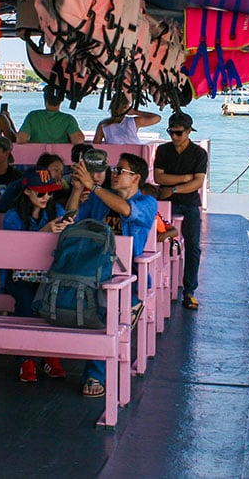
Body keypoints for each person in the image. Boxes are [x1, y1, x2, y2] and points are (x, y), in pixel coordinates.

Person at [70, 152, 158, 398]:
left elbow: (127, 210)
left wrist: (94, 186)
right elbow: (71, 218)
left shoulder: (147, 202)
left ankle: (95, 374)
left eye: (121, 170)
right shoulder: (99, 200)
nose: (115, 173)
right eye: (116, 169)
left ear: (136, 178)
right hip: (92, 270)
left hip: (128, 276)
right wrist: (77, 190)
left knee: (107, 308)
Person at [1, 169, 72, 383]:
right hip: (19, 276)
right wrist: (46, 231)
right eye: (40, 194)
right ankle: (26, 357)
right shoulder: (13, 216)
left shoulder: (56, 210)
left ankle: (50, 353)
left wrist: (65, 229)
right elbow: (14, 254)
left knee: (57, 300)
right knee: (26, 300)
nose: (46, 198)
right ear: (27, 192)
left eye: (49, 193)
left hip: (50, 276)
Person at [153, 112, 208, 311]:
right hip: (166, 202)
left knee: (193, 246)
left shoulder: (199, 153)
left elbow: (198, 182)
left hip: (189, 202)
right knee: (156, 240)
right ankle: (156, 279)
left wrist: (174, 187)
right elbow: (159, 178)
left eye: (178, 133)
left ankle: (189, 291)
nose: (174, 137)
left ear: (188, 131)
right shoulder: (163, 150)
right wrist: (185, 178)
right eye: (171, 132)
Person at [0, 152, 69, 213]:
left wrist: (67, 189)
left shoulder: (57, 203)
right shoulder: (18, 186)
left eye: (49, 193)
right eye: (55, 170)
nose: (59, 176)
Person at [17, 84, 84, 144]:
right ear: (61, 100)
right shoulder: (69, 119)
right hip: (60, 156)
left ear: (45, 99)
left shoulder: (33, 116)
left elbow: (21, 139)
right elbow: (78, 141)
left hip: (37, 156)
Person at [93, 94, 160, 144]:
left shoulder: (103, 125)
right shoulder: (133, 122)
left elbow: (96, 145)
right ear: (125, 107)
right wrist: (135, 112)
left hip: (113, 159)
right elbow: (157, 118)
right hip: (134, 158)